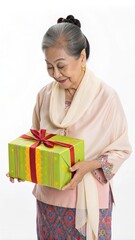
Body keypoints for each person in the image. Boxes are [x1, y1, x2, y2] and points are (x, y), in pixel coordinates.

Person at [8, 15, 132, 240]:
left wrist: (89, 165)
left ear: (82, 57)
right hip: (49, 200)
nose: (56, 74)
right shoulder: (45, 95)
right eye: (49, 67)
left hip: (90, 201)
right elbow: (37, 140)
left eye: (61, 65)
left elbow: (122, 150)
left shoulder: (106, 98)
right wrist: (23, 164)